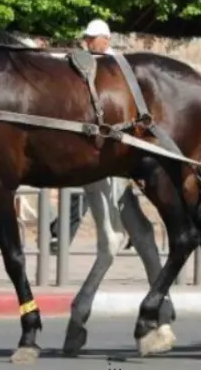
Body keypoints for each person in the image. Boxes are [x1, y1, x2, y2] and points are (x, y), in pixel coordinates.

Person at [49, 18, 132, 253]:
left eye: (91, 38)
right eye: (86, 38)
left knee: (102, 195)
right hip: (94, 139)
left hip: (112, 142)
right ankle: (59, 232)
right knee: (96, 194)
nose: (87, 42)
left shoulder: (116, 67)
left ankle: (60, 234)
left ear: (105, 40)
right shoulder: (90, 61)